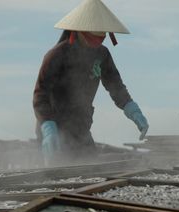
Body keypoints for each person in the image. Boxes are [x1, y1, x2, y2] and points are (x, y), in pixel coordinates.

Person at [33, 0, 149, 166]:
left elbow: (115, 86)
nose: (97, 43)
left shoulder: (102, 55)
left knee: (91, 171)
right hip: (54, 129)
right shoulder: (56, 55)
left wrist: (132, 109)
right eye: (93, 37)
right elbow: (40, 95)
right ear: (79, 31)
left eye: (101, 38)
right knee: (58, 178)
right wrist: (48, 127)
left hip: (81, 127)